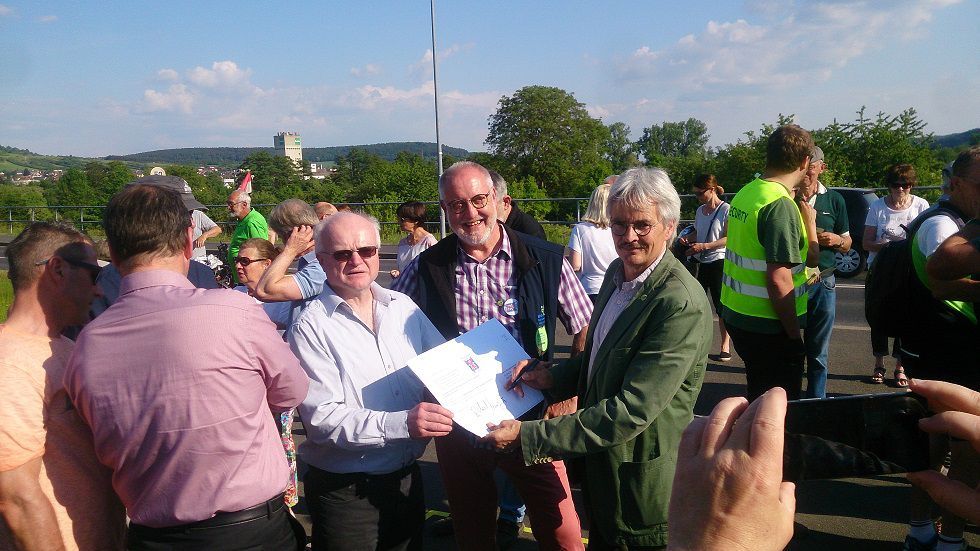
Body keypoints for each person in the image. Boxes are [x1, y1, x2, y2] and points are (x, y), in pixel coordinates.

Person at [64, 184, 309, 549]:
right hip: (251, 531)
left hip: (150, 536)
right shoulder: (233, 311)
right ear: (188, 240)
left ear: (112, 253)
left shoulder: (86, 345)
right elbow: (291, 391)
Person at [485, 167, 713, 549]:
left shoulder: (678, 303)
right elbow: (599, 358)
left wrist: (528, 436)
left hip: (638, 486)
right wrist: (552, 377)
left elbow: (632, 410)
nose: (628, 236)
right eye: (619, 224)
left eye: (642, 225)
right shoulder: (616, 272)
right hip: (602, 470)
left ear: (669, 227)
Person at [392, 161, 591, 550]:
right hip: (458, 421)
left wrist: (569, 387)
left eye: (478, 200)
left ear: (499, 201)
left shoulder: (546, 259)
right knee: (472, 528)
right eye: (456, 205)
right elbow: (391, 323)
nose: (469, 213)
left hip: (530, 415)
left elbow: (585, 325)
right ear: (445, 211)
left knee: (562, 529)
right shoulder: (428, 266)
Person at [289, 212, 454, 550]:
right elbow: (323, 420)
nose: (356, 261)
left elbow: (447, 365)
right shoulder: (310, 327)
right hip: (347, 493)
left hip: (406, 480)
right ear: (322, 260)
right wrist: (403, 424)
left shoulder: (402, 307)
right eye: (342, 253)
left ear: (378, 253)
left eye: (366, 250)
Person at [0, 222, 126, 550]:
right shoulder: (9, 364)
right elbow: (17, 499)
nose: (99, 291)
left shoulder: (66, 348)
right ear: (57, 269)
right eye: (93, 276)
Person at [898, 148, 980, 551]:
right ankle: (942, 537)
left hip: (945, 348)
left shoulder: (951, 221)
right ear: (958, 183)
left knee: (938, 444)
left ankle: (926, 532)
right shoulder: (942, 225)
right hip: (948, 351)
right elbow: (939, 283)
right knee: (954, 448)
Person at [721, 124, 819, 401]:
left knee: (758, 394)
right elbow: (779, 280)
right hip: (768, 325)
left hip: (737, 315)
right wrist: (794, 337)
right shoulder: (780, 205)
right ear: (804, 162)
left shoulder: (747, 192)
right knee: (778, 406)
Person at [862, 163, 930, 386]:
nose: (900, 189)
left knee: (906, 317)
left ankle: (900, 366)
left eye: (906, 184)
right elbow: (866, 242)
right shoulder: (877, 207)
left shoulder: (921, 205)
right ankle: (879, 363)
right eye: (895, 184)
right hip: (880, 269)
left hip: (908, 270)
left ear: (912, 185)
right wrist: (888, 246)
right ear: (889, 186)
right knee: (878, 316)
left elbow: (924, 239)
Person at [798, 147, 851, 398]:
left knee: (818, 350)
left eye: (812, 166)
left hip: (823, 280)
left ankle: (816, 401)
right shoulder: (787, 197)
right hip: (792, 280)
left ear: (822, 167)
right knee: (788, 346)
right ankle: (788, 400)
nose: (807, 172)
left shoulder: (835, 200)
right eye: (803, 166)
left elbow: (848, 243)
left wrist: (837, 240)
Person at [253, 199, 327, 332]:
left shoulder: (321, 267)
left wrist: (290, 250)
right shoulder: (310, 262)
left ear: (295, 234)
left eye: (283, 236)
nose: (284, 242)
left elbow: (263, 291)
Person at [682, 173, 732, 362]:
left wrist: (704, 246)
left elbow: (728, 238)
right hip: (702, 261)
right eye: (695, 193)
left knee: (721, 306)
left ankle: (725, 345)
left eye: (700, 193)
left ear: (711, 190)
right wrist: (687, 239)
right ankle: (697, 344)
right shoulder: (700, 210)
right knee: (698, 305)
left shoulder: (726, 209)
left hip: (719, 260)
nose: (698, 197)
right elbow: (698, 231)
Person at [565, 180, 617, 303]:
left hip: (589, 288)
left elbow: (575, 265)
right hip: (614, 287)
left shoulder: (580, 229)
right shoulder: (619, 229)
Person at [227, 189, 270, 283]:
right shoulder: (244, 220)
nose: (228, 207)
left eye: (231, 204)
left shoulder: (252, 222)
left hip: (249, 281)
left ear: (244, 205)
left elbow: (261, 251)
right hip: (243, 278)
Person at [490, 169, 547, 239]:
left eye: (488, 204)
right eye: (478, 202)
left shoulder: (530, 232)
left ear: (506, 202)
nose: (477, 212)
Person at [390, 200, 437, 279]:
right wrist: (398, 273)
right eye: (398, 218)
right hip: (404, 286)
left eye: (402, 219)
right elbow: (403, 268)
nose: (398, 222)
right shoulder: (402, 243)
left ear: (415, 220)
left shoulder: (429, 242)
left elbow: (437, 271)